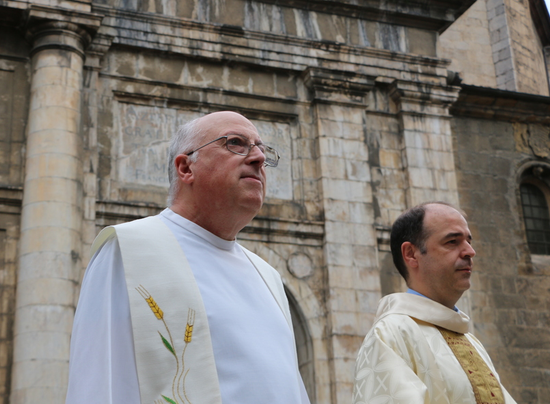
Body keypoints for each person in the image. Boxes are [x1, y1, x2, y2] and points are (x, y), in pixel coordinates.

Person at [66, 111, 310, 404]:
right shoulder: (129, 250)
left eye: (261, 148)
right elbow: (98, 383)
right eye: (236, 143)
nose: (258, 158)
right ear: (185, 168)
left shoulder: (267, 276)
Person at [352, 202, 517, 404]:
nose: (470, 252)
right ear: (411, 254)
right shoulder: (391, 334)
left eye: (469, 241)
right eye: (452, 242)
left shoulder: (471, 342)